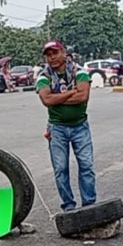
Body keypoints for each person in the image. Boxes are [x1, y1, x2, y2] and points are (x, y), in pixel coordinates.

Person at [36, 40, 96, 210]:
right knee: (60, 169)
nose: (52, 58)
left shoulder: (80, 72)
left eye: (55, 53)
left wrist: (58, 98)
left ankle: (89, 205)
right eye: (48, 55)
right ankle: (68, 206)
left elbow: (83, 96)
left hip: (80, 126)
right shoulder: (43, 76)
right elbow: (46, 100)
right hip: (57, 128)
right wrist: (71, 92)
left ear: (63, 52)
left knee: (86, 165)